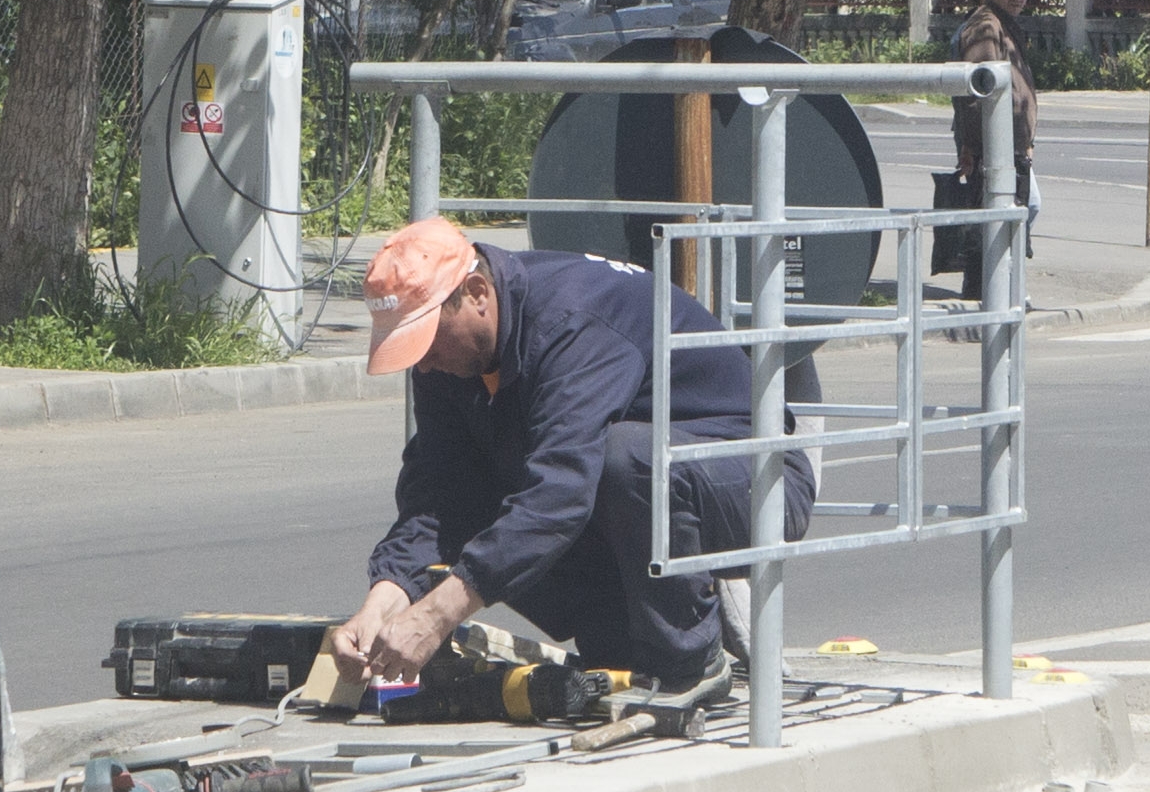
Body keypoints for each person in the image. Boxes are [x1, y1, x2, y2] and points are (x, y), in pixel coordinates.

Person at [329, 217, 812, 701]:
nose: (425, 362)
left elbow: (559, 493)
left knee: (622, 458)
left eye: (428, 338)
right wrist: (386, 597)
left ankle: (691, 662)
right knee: (510, 485)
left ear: (476, 292)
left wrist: (436, 617)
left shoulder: (571, 321)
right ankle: (628, 651)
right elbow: (439, 492)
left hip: (755, 477)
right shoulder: (448, 359)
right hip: (632, 492)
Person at [940, 0, 1040, 298]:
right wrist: (970, 145)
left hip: (1010, 145)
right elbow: (976, 93)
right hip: (993, 146)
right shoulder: (985, 26)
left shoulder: (1003, 24)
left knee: (1009, 214)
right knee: (1000, 216)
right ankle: (990, 290)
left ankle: (996, 287)